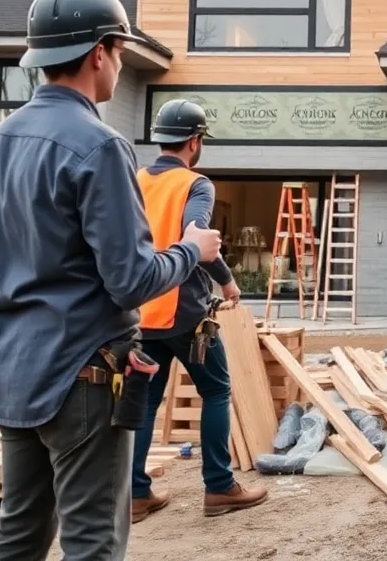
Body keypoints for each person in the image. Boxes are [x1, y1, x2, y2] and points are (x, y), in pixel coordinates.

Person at [0, 0, 222, 561]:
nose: (121, 64)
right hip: (80, 375)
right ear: (100, 52)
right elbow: (131, 280)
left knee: (20, 534)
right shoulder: (99, 145)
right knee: (92, 543)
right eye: (121, 51)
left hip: (9, 371)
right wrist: (191, 251)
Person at [130, 98, 268, 521]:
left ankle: (135, 494)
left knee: (145, 402)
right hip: (185, 311)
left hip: (140, 311)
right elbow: (197, 236)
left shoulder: (135, 179)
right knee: (216, 391)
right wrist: (227, 280)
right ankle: (220, 487)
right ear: (195, 141)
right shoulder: (196, 184)